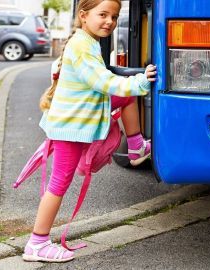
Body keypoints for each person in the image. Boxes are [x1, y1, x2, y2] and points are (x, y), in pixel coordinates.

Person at [22, 0, 156, 263]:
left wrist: (129, 87)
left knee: (125, 98)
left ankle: (137, 146)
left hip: (75, 119)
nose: (109, 21)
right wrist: (139, 82)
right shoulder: (82, 46)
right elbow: (101, 81)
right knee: (59, 183)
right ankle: (36, 243)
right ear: (83, 16)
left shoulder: (87, 41)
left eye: (114, 17)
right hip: (70, 126)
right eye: (102, 15)